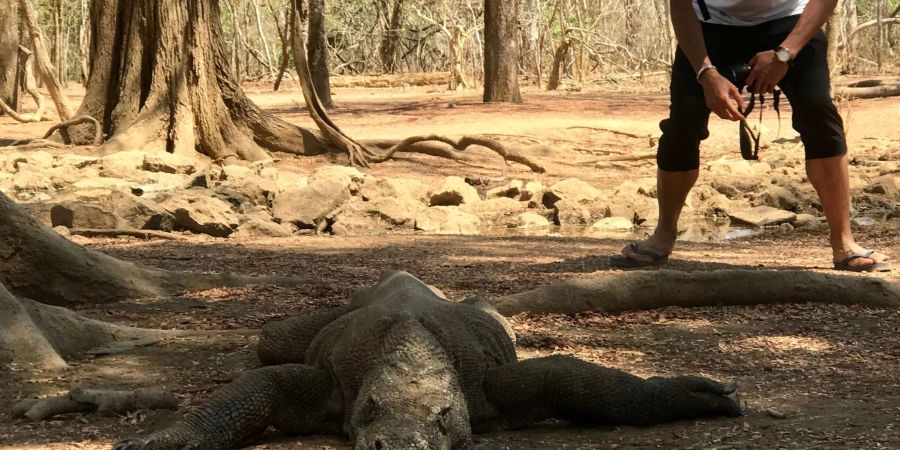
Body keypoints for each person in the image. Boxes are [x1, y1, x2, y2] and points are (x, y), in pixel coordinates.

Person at [611, 0, 892, 272]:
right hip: (709, 27)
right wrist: (705, 72)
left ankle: (844, 242)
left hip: (791, 22)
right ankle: (663, 235)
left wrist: (785, 54)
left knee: (819, 114)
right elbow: (681, 4)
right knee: (682, 126)